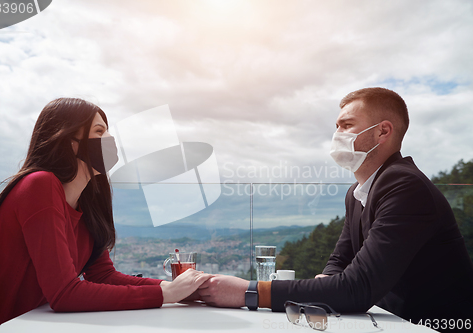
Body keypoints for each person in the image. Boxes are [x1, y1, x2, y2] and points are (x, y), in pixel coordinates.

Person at [198, 87, 473, 326]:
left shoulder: (404, 185)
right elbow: (340, 262)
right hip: (392, 321)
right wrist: (327, 286)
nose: (337, 133)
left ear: (383, 131)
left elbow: (358, 287)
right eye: (337, 126)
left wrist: (249, 291)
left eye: (346, 125)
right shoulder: (356, 193)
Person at [0, 98, 211, 333]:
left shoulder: (86, 204)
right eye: (99, 131)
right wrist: (165, 294)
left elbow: (103, 275)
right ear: (71, 142)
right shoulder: (40, 185)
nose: (110, 140)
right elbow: (64, 294)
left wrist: (175, 287)